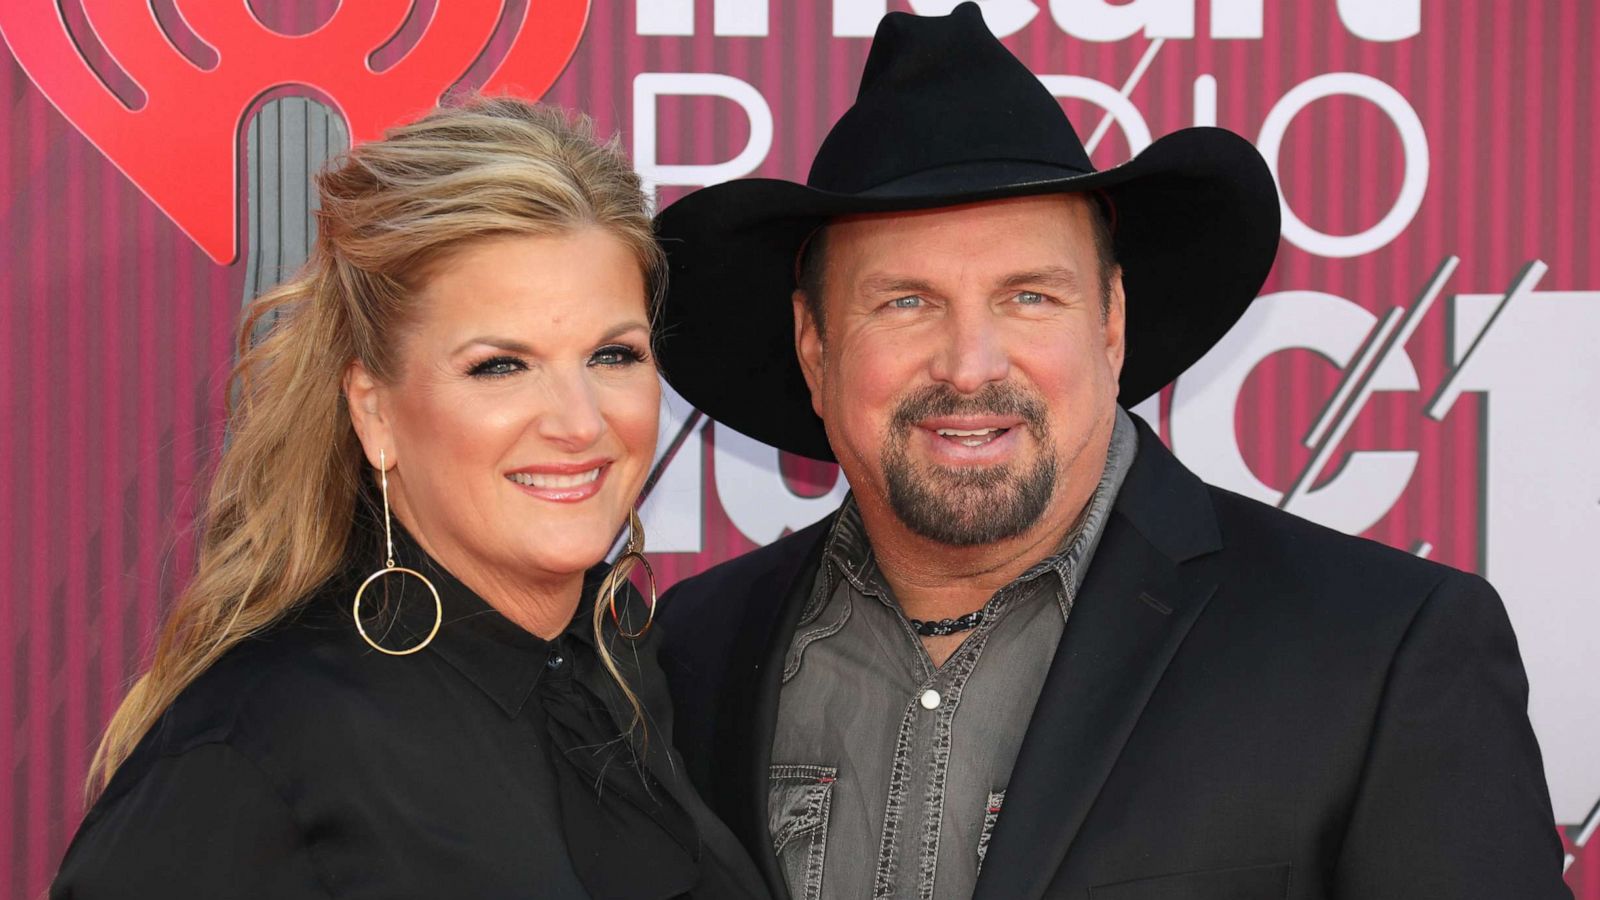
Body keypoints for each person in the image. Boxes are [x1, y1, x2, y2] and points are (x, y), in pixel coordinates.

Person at [649, 5, 1570, 899]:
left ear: (1111, 324)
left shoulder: (1382, 652)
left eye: (1029, 297)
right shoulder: (686, 653)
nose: (970, 367)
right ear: (815, 346)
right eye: (906, 302)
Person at [53, 97, 765, 899]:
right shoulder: (258, 745)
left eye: (612, 354)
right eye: (500, 365)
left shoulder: (626, 665)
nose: (580, 423)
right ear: (376, 411)